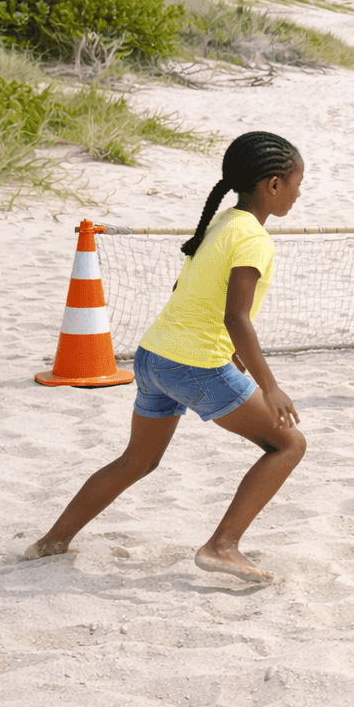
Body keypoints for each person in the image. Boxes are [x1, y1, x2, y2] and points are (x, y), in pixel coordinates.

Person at [22, 132, 307, 583]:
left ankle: (53, 541)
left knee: (137, 460)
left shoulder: (222, 222)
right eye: (296, 183)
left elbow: (189, 292)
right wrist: (269, 386)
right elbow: (236, 316)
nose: (298, 193)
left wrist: (230, 351)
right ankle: (222, 546)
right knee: (289, 445)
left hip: (153, 357)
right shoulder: (253, 238)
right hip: (195, 365)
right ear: (273, 184)